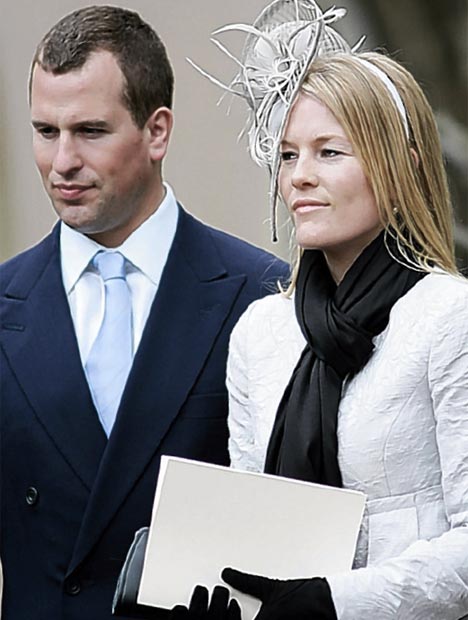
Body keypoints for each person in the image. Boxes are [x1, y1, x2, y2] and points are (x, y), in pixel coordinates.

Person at [0, 6, 288, 620]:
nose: (62, 161)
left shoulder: (265, 295)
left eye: (90, 131)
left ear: (157, 132)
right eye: (46, 131)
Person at [191, 1, 468, 618]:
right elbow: (248, 525)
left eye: (329, 152)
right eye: (288, 155)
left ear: (402, 166)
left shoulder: (450, 318)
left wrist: (333, 600)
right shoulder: (261, 332)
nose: (299, 177)